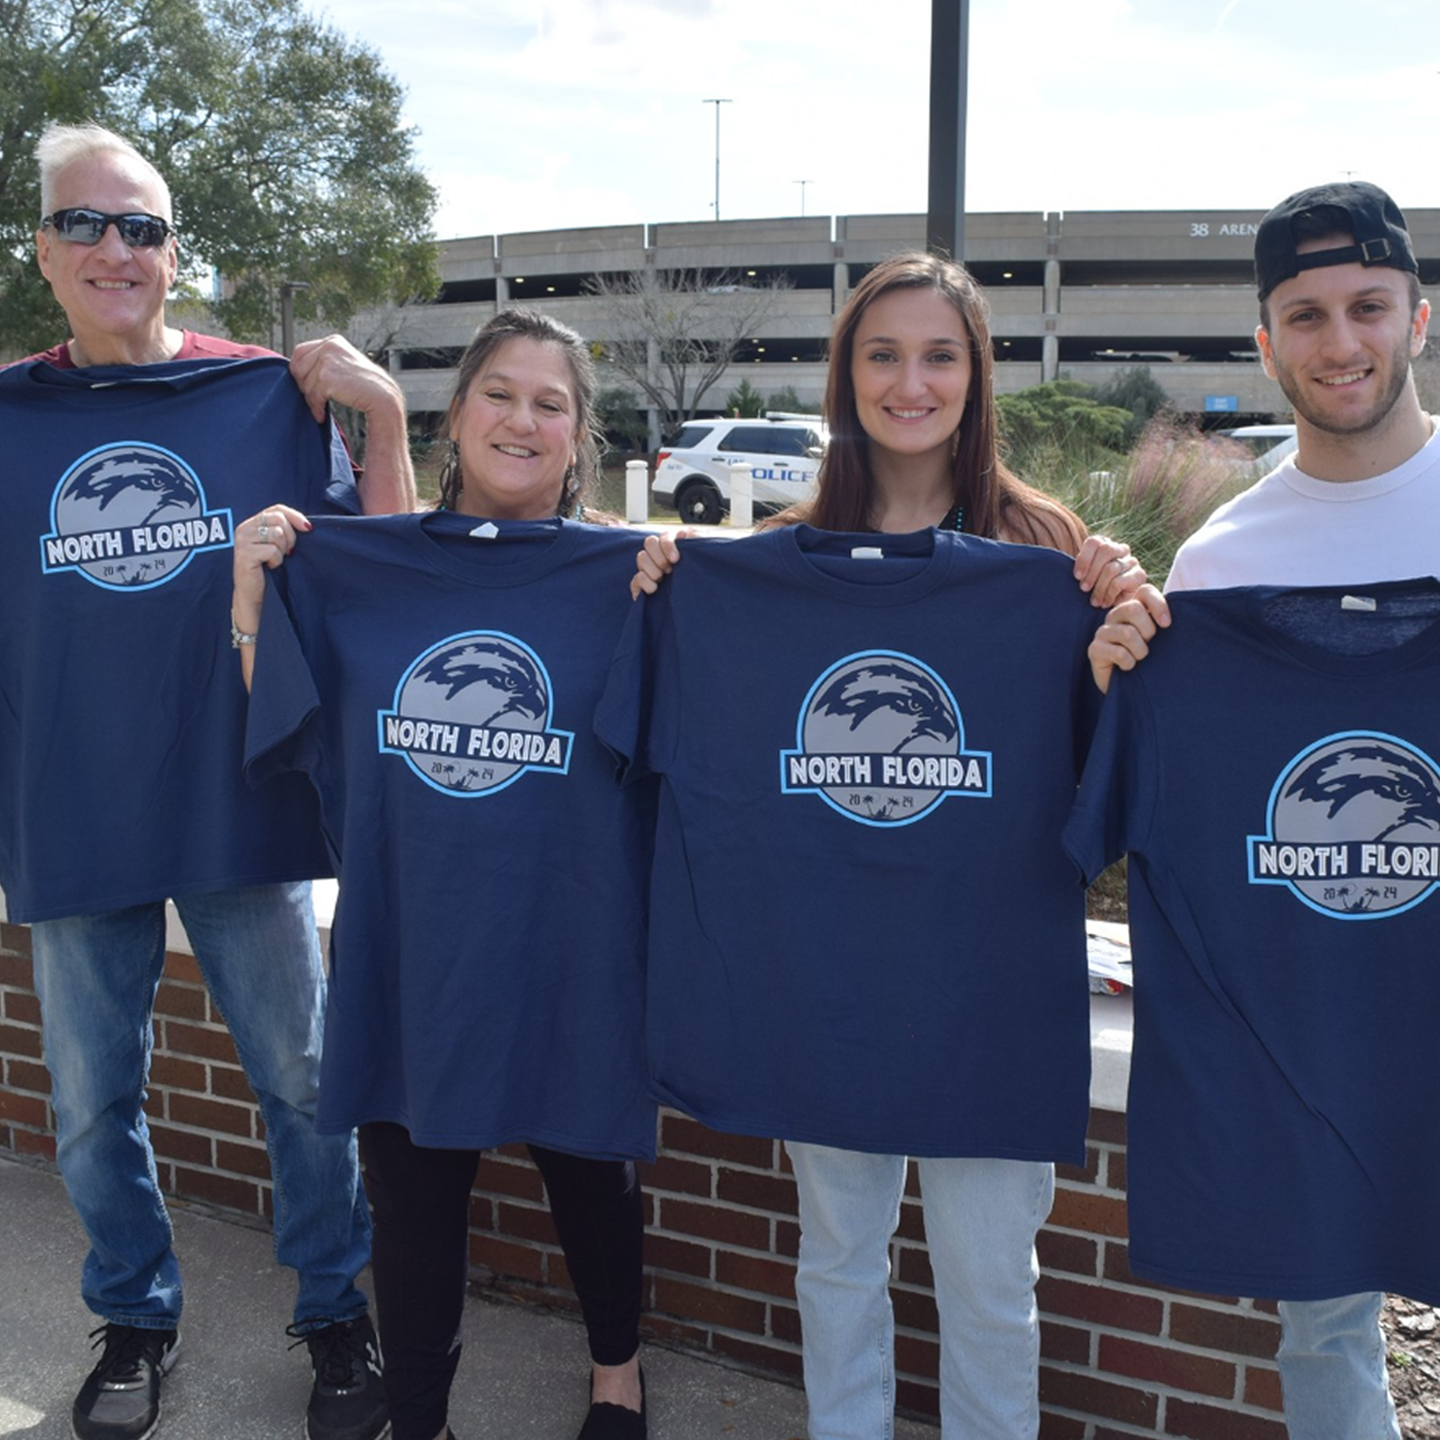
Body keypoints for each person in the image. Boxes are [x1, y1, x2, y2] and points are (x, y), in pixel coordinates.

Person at [626, 251, 1153, 1440]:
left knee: (986, 1287)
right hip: (828, 986)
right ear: (844, 375)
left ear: (976, 377)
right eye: (882, 354)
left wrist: (1127, 618)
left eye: (938, 355)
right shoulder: (784, 558)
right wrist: (667, 573)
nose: (909, 383)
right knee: (839, 1265)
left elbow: (1119, 768)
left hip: (990, 992)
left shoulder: (1051, 556)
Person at [2, 121, 414, 1440]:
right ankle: (133, 1317)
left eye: (143, 227)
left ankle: (335, 1313)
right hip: (72, 804)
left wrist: (385, 414)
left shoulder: (269, 397)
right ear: (42, 247)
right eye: (85, 223)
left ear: (176, 253)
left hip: (245, 798)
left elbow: (387, 571)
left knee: (301, 1077)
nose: (116, 249)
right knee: (89, 1101)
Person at [231, 308, 652, 1440]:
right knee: (414, 1199)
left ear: (578, 437)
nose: (523, 419)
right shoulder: (362, 566)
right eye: (500, 393)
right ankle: (418, 1411)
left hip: (572, 934)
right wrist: (250, 597)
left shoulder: (633, 580)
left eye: (551, 403)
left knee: (591, 1174)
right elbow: (291, 727)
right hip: (412, 933)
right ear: (457, 411)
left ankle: (619, 1373)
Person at [1087, 181, 1437, 1440]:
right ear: (1266, 343)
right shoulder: (1225, 563)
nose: (1340, 342)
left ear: (1419, 316)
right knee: (1327, 1324)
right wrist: (1128, 658)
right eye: (1306, 314)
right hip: (1314, 1034)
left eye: (1367, 307)